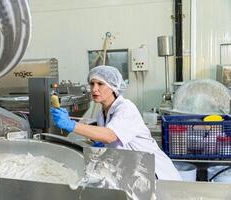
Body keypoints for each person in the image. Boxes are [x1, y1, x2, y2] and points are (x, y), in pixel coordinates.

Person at [51, 65, 181, 181]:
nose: (94, 89)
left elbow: (110, 135)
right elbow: (106, 138)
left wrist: (70, 124)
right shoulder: (102, 113)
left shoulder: (126, 108)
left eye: (100, 84)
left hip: (156, 175)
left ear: (113, 87)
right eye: (92, 84)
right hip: (135, 172)